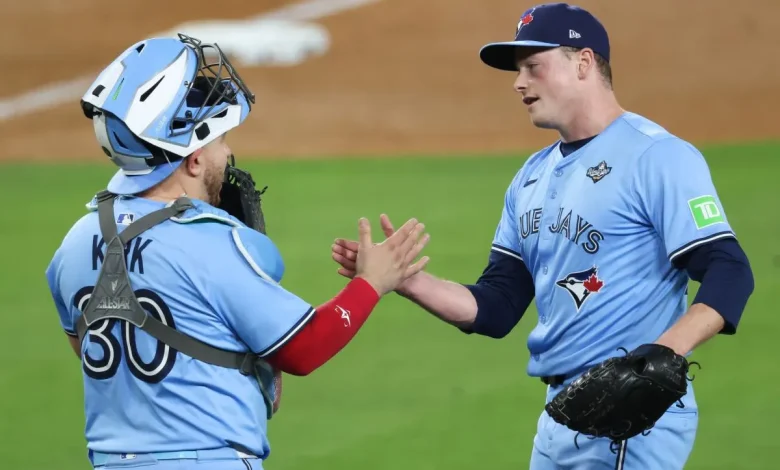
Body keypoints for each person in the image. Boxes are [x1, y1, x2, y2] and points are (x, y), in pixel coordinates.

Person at [330, 3, 754, 469]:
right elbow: (496, 306)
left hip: (632, 418)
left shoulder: (658, 157)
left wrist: (660, 356)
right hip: (561, 417)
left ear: (584, 63)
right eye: (518, 71)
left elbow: (729, 270)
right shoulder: (531, 177)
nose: (519, 82)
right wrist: (403, 280)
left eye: (534, 67)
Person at [45, 33, 430, 470]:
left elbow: (90, 346)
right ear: (192, 160)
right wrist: (372, 282)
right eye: (219, 142)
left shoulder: (75, 243)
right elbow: (304, 348)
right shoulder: (209, 242)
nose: (227, 154)